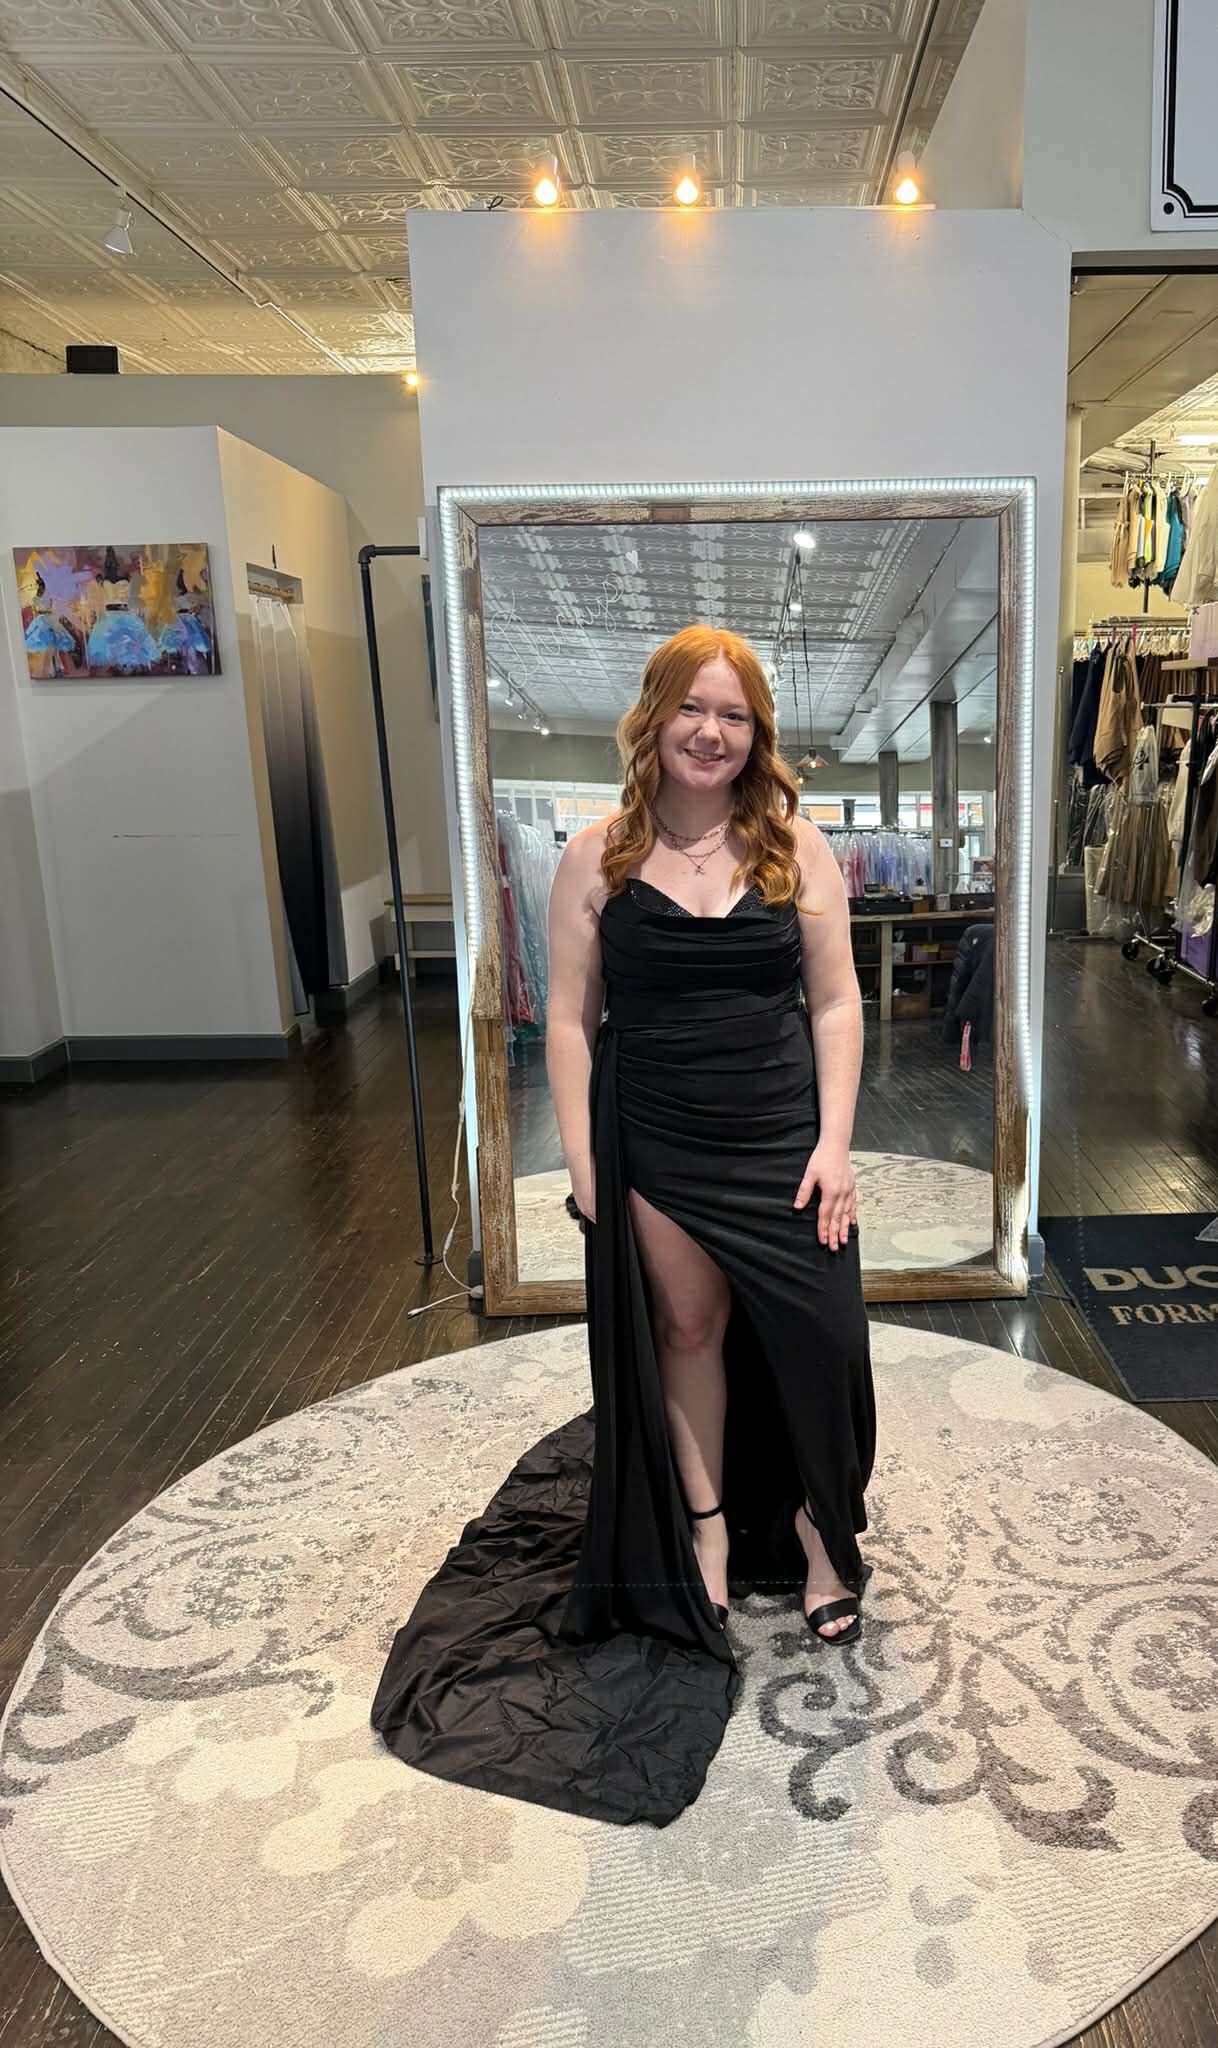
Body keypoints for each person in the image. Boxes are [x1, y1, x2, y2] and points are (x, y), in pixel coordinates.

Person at [371, 623, 878, 1828]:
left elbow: (838, 1001)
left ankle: (820, 1522)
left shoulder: (796, 847)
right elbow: (567, 1022)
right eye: (694, 708)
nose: (713, 731)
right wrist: (588, 1160)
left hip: (777, 1137)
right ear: (654, 718)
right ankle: (703, 1528)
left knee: (825, 1344)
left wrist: (835, 1141)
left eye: (737, 714)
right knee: (687, 1332)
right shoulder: (596, 854)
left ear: (758, 734)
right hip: (660, 1139)